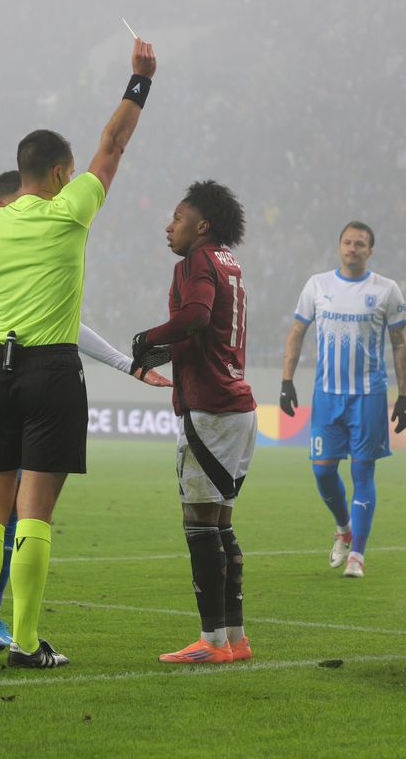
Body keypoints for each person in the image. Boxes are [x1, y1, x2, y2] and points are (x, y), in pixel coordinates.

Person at [0, 37, 156, 669]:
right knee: (35, 514)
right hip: (54, 371)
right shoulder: (69, 213)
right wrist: (138, 81)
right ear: (60, 173)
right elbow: (112, 148)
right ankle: (27, 645)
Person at [0, 171, 168, 651]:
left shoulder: (21, 248)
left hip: (9, 386)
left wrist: (125, 365)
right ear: (9, 202)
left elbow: (72, 325)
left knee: (0, 509)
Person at [130, 181, 256, 664]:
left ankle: (212, 642)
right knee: (220, 523)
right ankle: (235, 638)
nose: (169, 226)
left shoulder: (196, 263)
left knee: (199, 524)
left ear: (201, 225)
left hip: (211, 410)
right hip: (236, 408)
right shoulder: (230, 263)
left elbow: (197, 315)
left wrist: (150, 335)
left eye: (177, 217)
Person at [279, 221, 406, 578]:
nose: (353, 248)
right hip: (327, 395)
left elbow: (399, 343)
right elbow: (297, 333)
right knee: (322, 472)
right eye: (347, 242)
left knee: (362, 471)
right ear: (339, 246)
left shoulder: (386, 290)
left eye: (360, 244)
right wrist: (286, 381)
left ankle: (358, 555)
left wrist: (405, 395)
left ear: (370, 250)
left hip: (368, 396)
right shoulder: (317, 285)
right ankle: (343, 526)